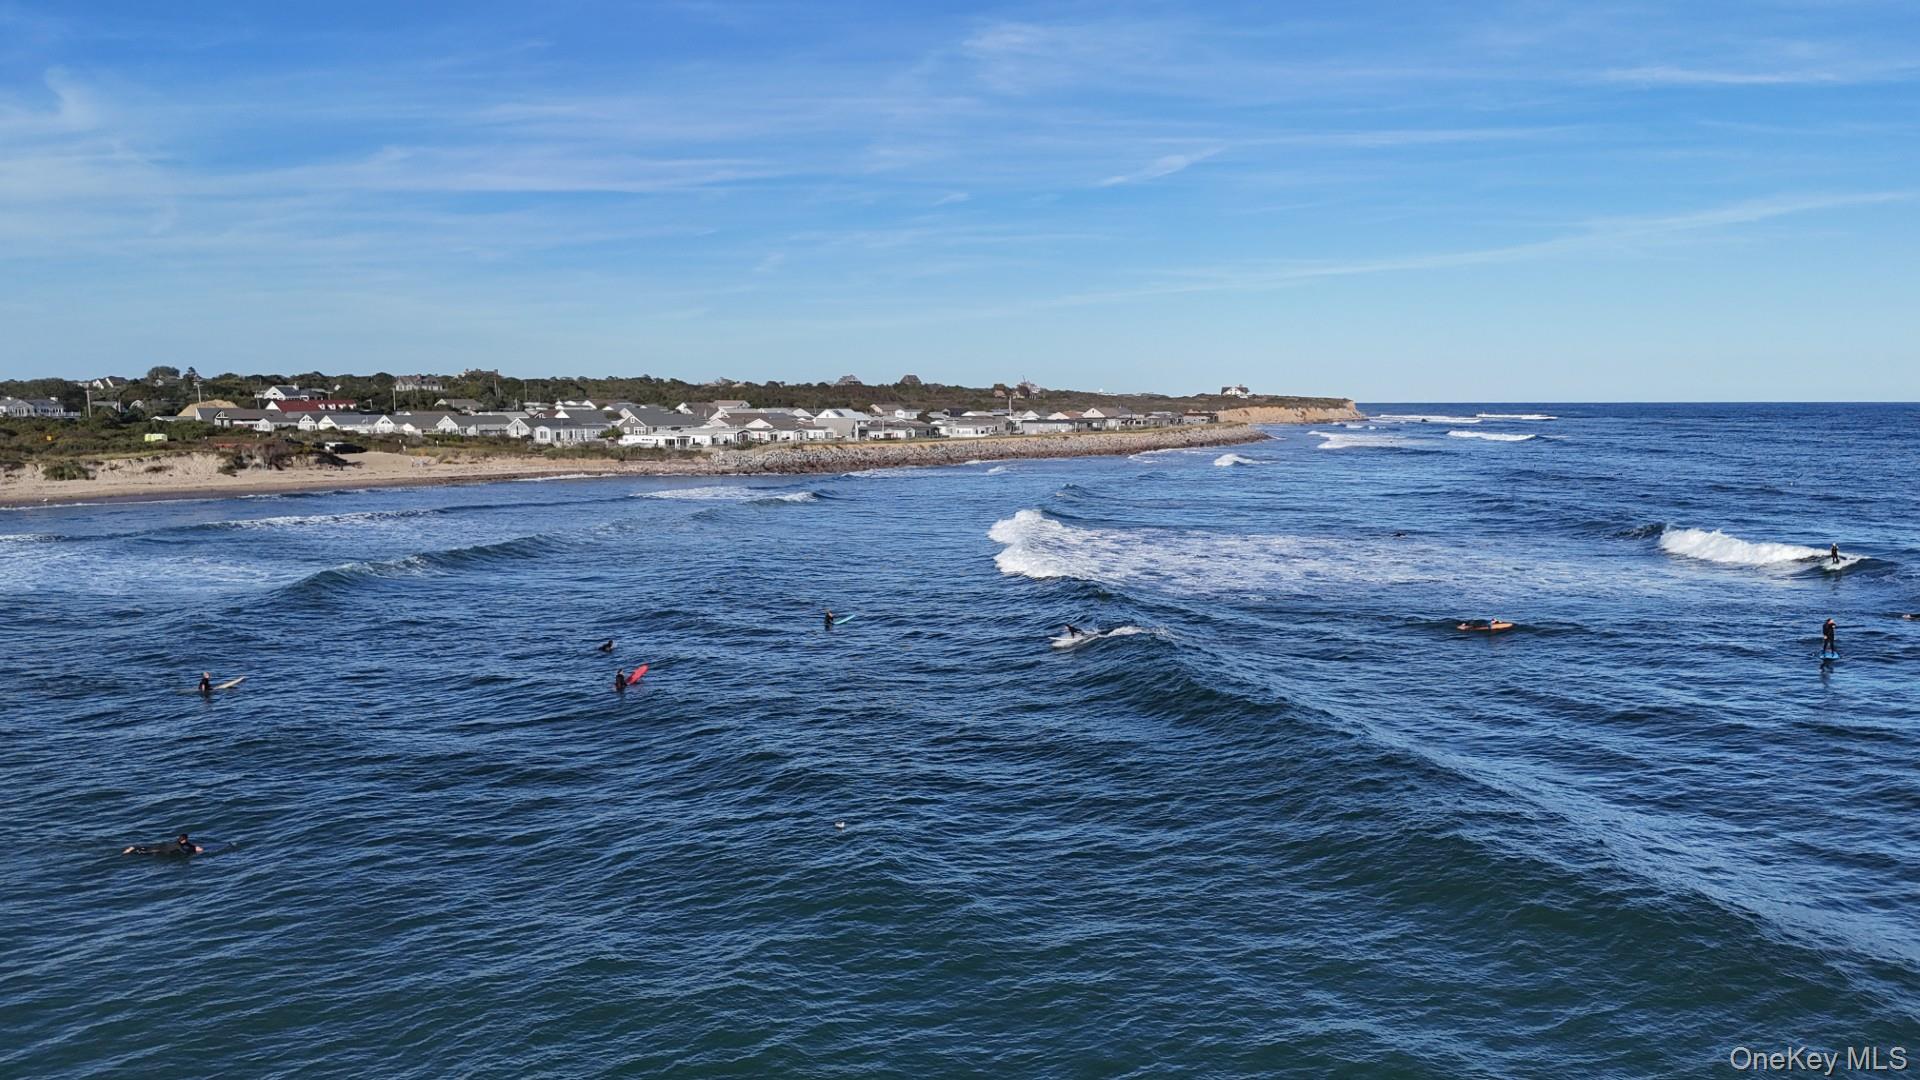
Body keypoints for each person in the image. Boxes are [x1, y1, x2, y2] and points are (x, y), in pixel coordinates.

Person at [124, 832, 202, 856]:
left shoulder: (180, 842)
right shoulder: (178, 845)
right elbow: (184, 852)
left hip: (162, 846)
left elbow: (188, 844)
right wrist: (195, 853)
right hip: (158, 849)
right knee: (143, 852)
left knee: (146, 848)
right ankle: (133, 849)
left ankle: (134, 848)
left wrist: (195, 847)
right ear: (185, 839)